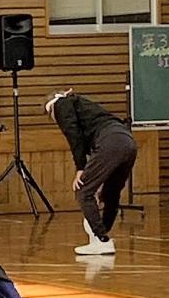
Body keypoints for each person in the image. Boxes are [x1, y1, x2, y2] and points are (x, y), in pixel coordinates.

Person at [47, 89, 138, 257]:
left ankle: (101, 240)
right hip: (128, 142)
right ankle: (104, 237)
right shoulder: (83, 106)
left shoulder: (61, 104)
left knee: (83, 190)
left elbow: (73, 136)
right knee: (111, 192)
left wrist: (81, 168)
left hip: (110, 141)